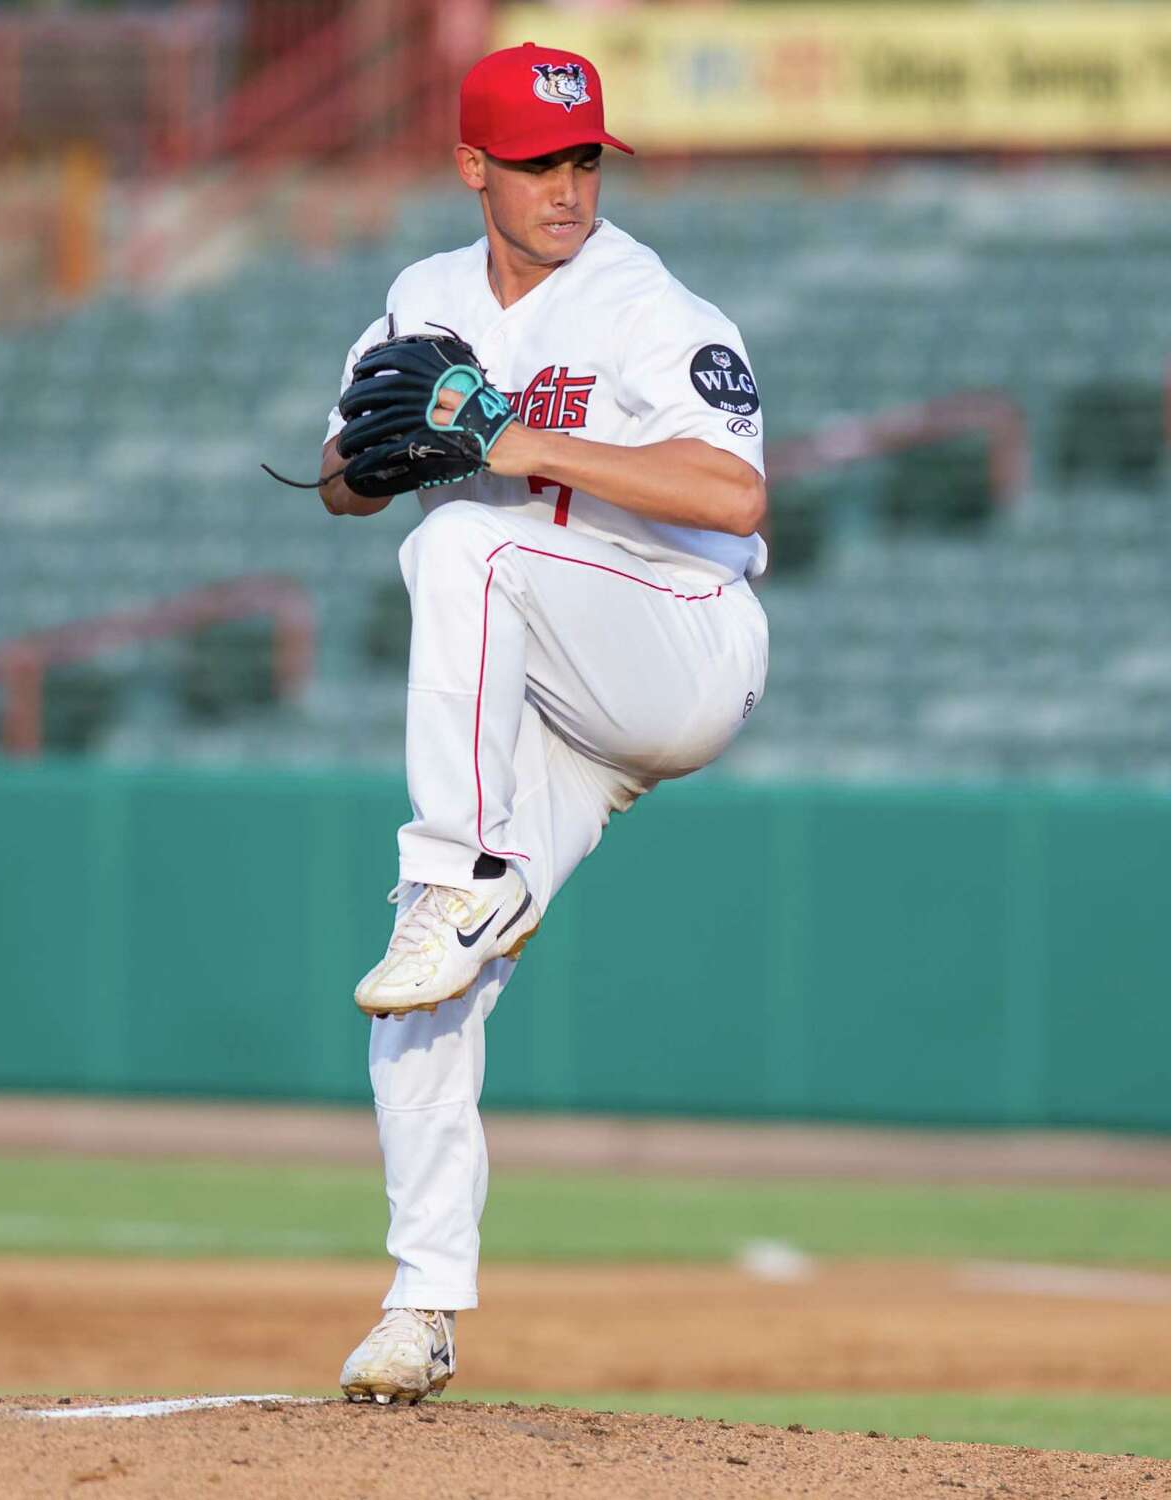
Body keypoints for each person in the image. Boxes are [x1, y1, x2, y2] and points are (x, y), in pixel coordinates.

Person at [320, 41, 769, 1404]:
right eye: (538, 162)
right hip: (542, 700)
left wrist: (514, 442)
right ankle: (421, 1308)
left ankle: (461, 873)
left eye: (584, 159)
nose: (569, 187)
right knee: (421, 982)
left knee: (468, 547)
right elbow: (343, 478)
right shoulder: (424, 296)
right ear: (473, 168)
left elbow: (736, 498)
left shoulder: (646, 304)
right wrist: (372, 455)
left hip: (679, 642)